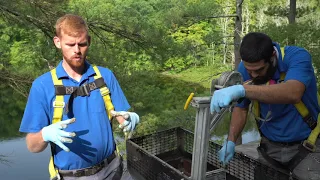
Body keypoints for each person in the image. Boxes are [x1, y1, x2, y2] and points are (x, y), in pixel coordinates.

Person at [19, 14, 139, 180]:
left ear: (88, 41)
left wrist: (129, 118)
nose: (77, 50)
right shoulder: (42, 86)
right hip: (72, 177)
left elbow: (120, 117)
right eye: (70, 44)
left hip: (114, 169)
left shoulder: (104, 76)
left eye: (82, 44)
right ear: (57, 42)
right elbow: (32, 145)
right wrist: (45, 134)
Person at [210, 32, 320, 180]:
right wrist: (230, 140)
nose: (254, 75)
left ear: (273, 57)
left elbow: (293, 92)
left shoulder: (297, 57)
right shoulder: (246, 67)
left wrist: (243, 89)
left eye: (259, 70)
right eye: (250, 71)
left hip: (308, 145)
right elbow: (241, 108)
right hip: (270, 148)